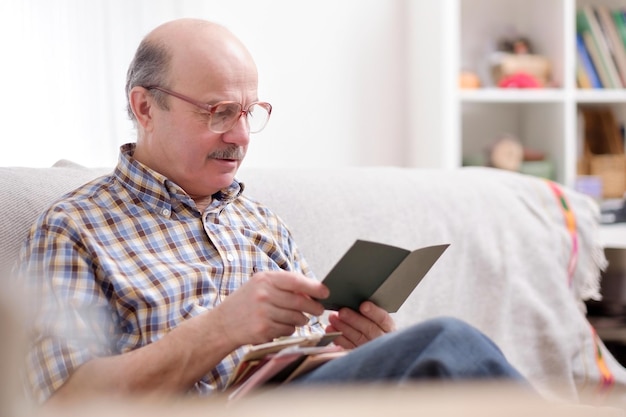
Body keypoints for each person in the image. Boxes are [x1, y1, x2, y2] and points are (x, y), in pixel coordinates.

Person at [15, 18, 526, 406]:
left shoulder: (260, 224)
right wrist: (222, 329)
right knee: (446, 340)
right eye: (218, 113)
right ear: (146, 108)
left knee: (433, 365)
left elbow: (312, 356)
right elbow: (66, 402)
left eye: (249, 113)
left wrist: (365, 348)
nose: (239, 136)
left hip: (312, 401)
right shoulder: (73, 230)